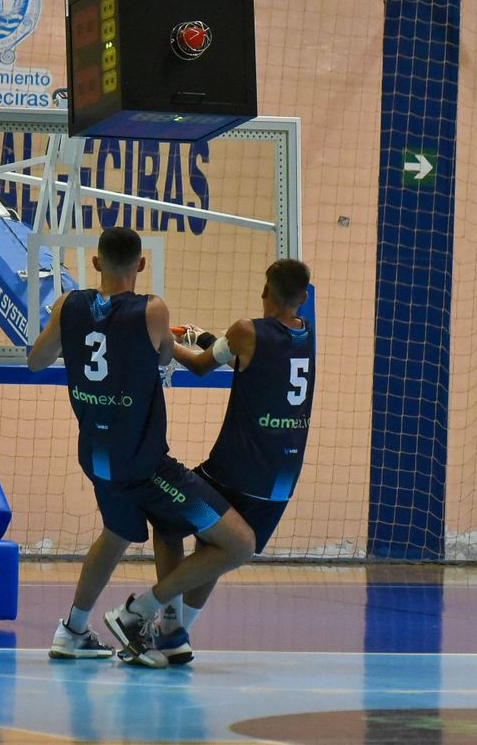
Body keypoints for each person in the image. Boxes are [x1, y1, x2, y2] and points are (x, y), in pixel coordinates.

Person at [27, 227, 255, 669]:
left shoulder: (67, 305)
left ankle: (73, 631)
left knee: (117, 534)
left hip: (97, 457)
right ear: (142, 264)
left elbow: (36, 361)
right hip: (145, 465)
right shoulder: (152, 309)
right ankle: (137, 615)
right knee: (239, 543)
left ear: (96, 263)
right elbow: (172, 358)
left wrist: (69, 336)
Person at [150, 258, 315, 664]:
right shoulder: (306, 334)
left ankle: (160, 618)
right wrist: (206, 337)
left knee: (167, 523)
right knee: (215, 548)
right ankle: (177, 635)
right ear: (303, 297)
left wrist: (167, 344)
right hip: (279, 480)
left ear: (264, 291)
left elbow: (202, 366)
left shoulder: (246, 330)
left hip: (235, 471)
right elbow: (245, 354)